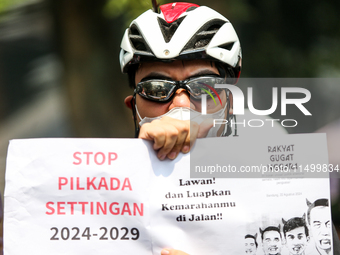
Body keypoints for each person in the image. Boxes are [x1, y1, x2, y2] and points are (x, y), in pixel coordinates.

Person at [120, 2, 340, 255]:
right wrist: (139, 159)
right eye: (157, 89)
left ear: (229, 102)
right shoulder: (103, 179)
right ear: (132, 108)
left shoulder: (268, 143)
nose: (180, 105)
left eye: (204, 88)